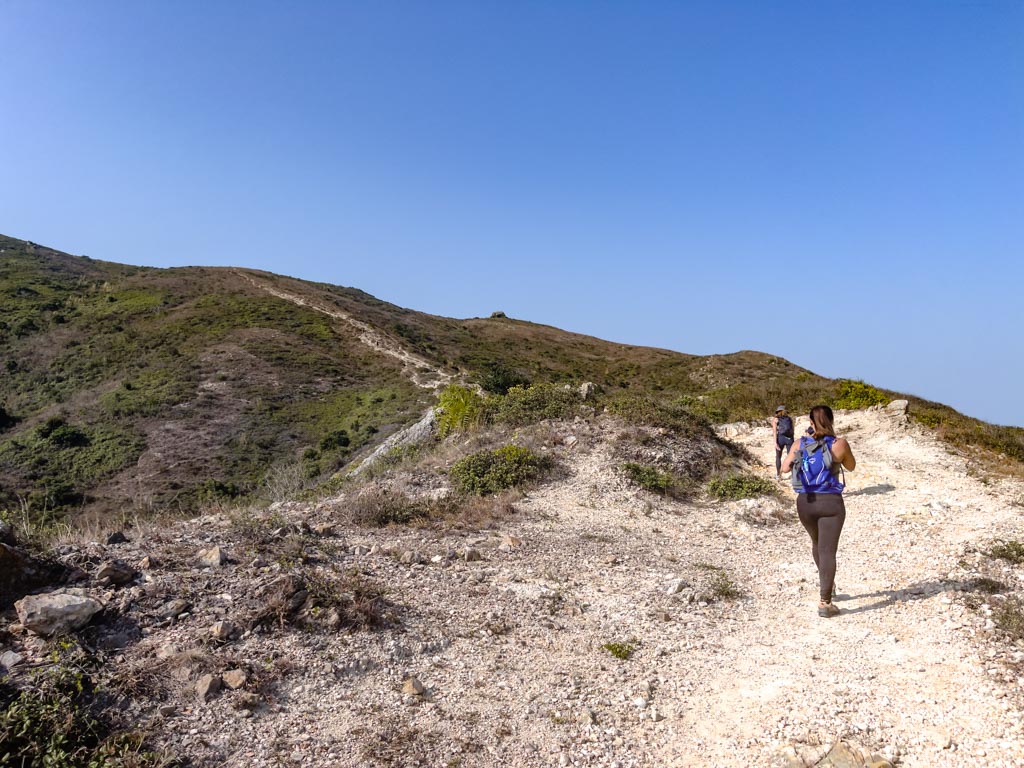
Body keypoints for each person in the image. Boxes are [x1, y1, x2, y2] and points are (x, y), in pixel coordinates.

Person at [781, 405, 856, 617]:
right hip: (830, 502)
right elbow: (851, 466)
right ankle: (825, 602)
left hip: (805, 502)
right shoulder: (839, 444)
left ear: (811, 422)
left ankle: (827, 584)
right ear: (831, 420)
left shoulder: (800, 444)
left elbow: (784, 468)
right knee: (827, 550)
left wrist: (803, 448)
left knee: (817, 544)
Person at [771, 406, 795, 480]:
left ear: (778, 411)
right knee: (791, 456)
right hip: (789, 439)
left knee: (778, 457)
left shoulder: (775, 419)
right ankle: (794, 474)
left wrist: (775, 442)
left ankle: (778, 475)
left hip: (780, 438)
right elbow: (792, 430)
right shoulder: (790, 419)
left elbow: (774, 431)